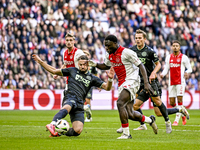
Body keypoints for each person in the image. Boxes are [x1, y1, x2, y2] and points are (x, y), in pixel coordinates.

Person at [117, 29, 189, 134]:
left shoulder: (150, 51)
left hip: (151, 82)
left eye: (140, 38)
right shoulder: (131, 50)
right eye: (136, 38)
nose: (137, 40)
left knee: (158, 109)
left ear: (144, 39)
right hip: (138, 82)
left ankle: (170, 120)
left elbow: (158, 64)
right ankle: (137, 124)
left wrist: (153, 72)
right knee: (133, 105)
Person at [89, 34, 158, 139]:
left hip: (132, 80)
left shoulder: (127, 52)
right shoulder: (109, 54)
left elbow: (141, 65)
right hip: (122, 83)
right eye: (105, 46)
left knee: (120, 102)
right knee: (130, 113)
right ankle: (150, 120)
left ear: (115, 43)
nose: (107, 48)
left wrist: (146, 83)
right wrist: (95, 64)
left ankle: (126, 134)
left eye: (109, 46)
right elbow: (106, 65)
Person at [32, 54, 115, 137]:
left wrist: (110, 79)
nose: (82, 66)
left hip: (80, 103)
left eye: (84, 65)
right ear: (78, 64)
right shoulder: (72, 70)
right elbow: (54, 71)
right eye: (80, 65)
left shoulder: (92, 78)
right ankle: (52, 124)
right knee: (67, 107)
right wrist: (40, 62)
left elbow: (107, 88)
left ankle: (59, 132)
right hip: (70, 96)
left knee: (77, 130)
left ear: (88, 65)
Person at [161, 40, 192, 126]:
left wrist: (187, 72)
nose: (175, 47)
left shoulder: (184, 57)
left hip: (180, 82)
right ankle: (183, 113)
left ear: (179, 47)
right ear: (171, 47)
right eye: (173, 45)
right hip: (171, 82)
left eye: (176, 46)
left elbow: (190, 68)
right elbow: (166, 69)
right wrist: (162, 74)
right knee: (171, 103)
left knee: (179, 101)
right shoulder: (168, 57)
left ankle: (176, 120)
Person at [82, 50, 100, 122]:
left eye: (87, 54)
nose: (85, 55)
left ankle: (88, 116)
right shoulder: (79, 64)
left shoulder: (91, 64)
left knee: (87, 99)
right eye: (84, 54)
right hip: (81, 84)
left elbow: (96, 74)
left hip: (89, 85)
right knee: (82, 101)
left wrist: (98, 84)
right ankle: (81, 116)